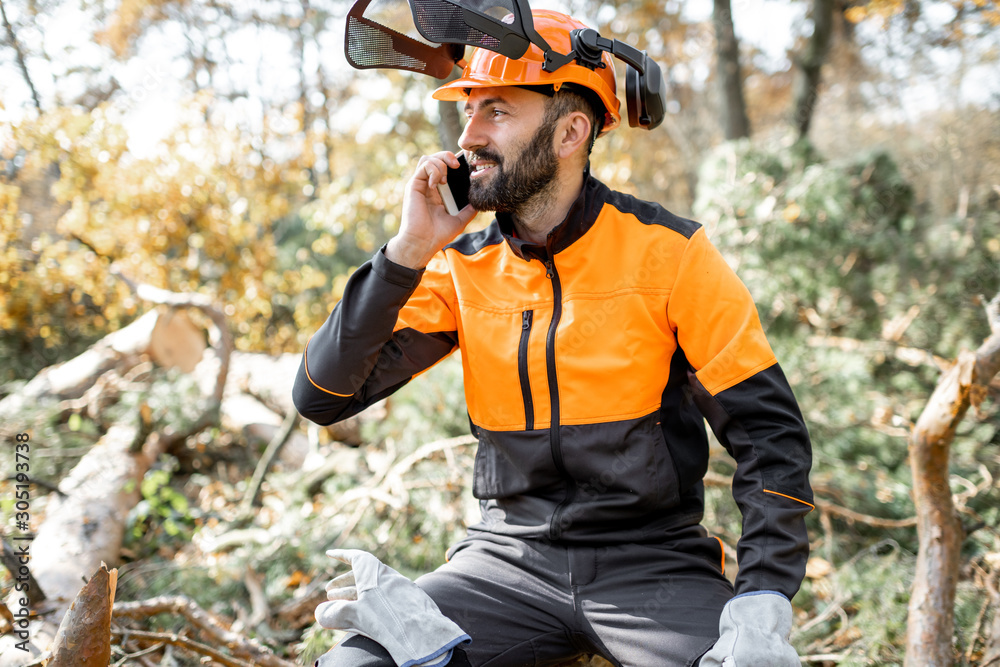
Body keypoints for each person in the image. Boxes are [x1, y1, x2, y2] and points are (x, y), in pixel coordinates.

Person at [293, 9, 813, 667]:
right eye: (469, 111)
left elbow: (771, 438)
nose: (468, 136)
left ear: (570, 131)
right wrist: (407, 250)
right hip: (501, 562)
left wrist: (765, 592)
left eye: (497, 113)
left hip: (654, 566)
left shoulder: (671, 254)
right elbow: (321, 396)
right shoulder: (460, 264)